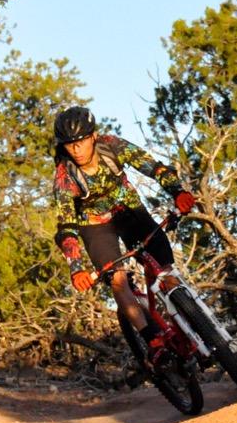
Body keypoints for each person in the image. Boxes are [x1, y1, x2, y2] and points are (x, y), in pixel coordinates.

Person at [51, 106, 195, 362]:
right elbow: (66, 226)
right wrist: (76, 268)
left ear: (93, 136)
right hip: (94, 224)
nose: (77, 150)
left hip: (128, 209)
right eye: (70, 145)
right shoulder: (65, 176)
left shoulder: (112, 145)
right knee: (117, 279)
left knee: (165, 268)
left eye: (81, 141)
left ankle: (195, 325)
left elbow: (153, 168)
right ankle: (153, 340)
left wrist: (177, 191)